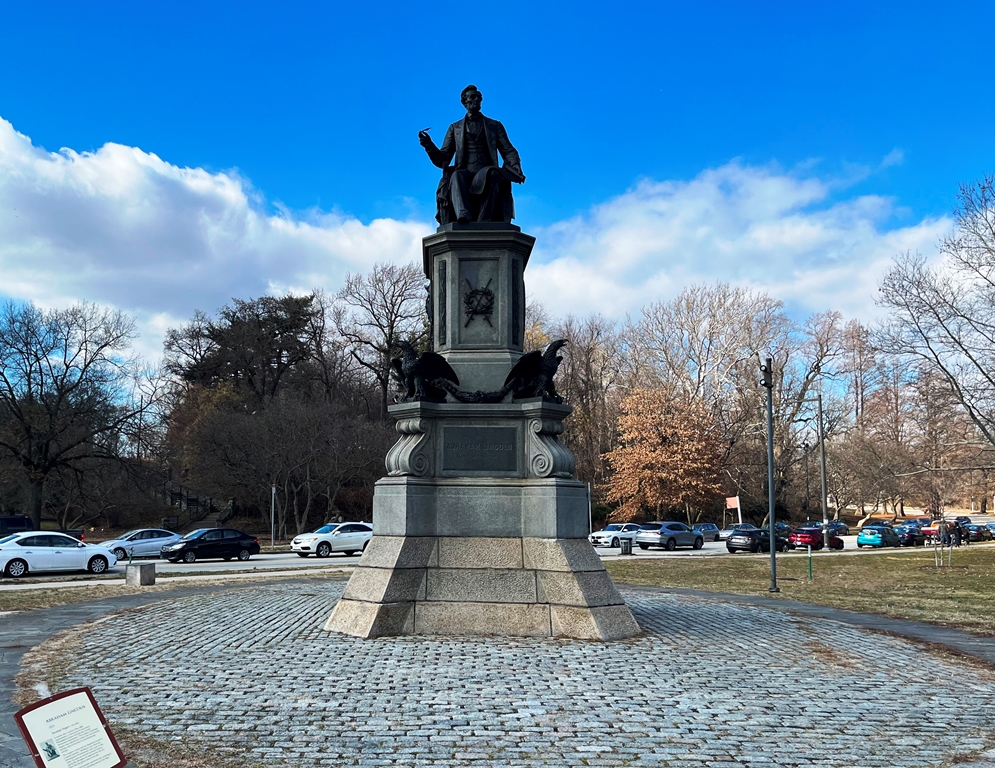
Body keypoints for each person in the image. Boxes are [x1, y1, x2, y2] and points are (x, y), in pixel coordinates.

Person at [419, 85, 525, 224]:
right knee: (456, 175)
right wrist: (429, 145)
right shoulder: (454, 127)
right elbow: (444, 158)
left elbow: (508, 149)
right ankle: (463, 214)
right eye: (472, 97)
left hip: (487, 169)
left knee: (493, 174)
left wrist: (515, 164)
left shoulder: (494, 125)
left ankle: (485, 219)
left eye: (479, 97)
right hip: (466, 171)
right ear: (465, 102)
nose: (477, 100)